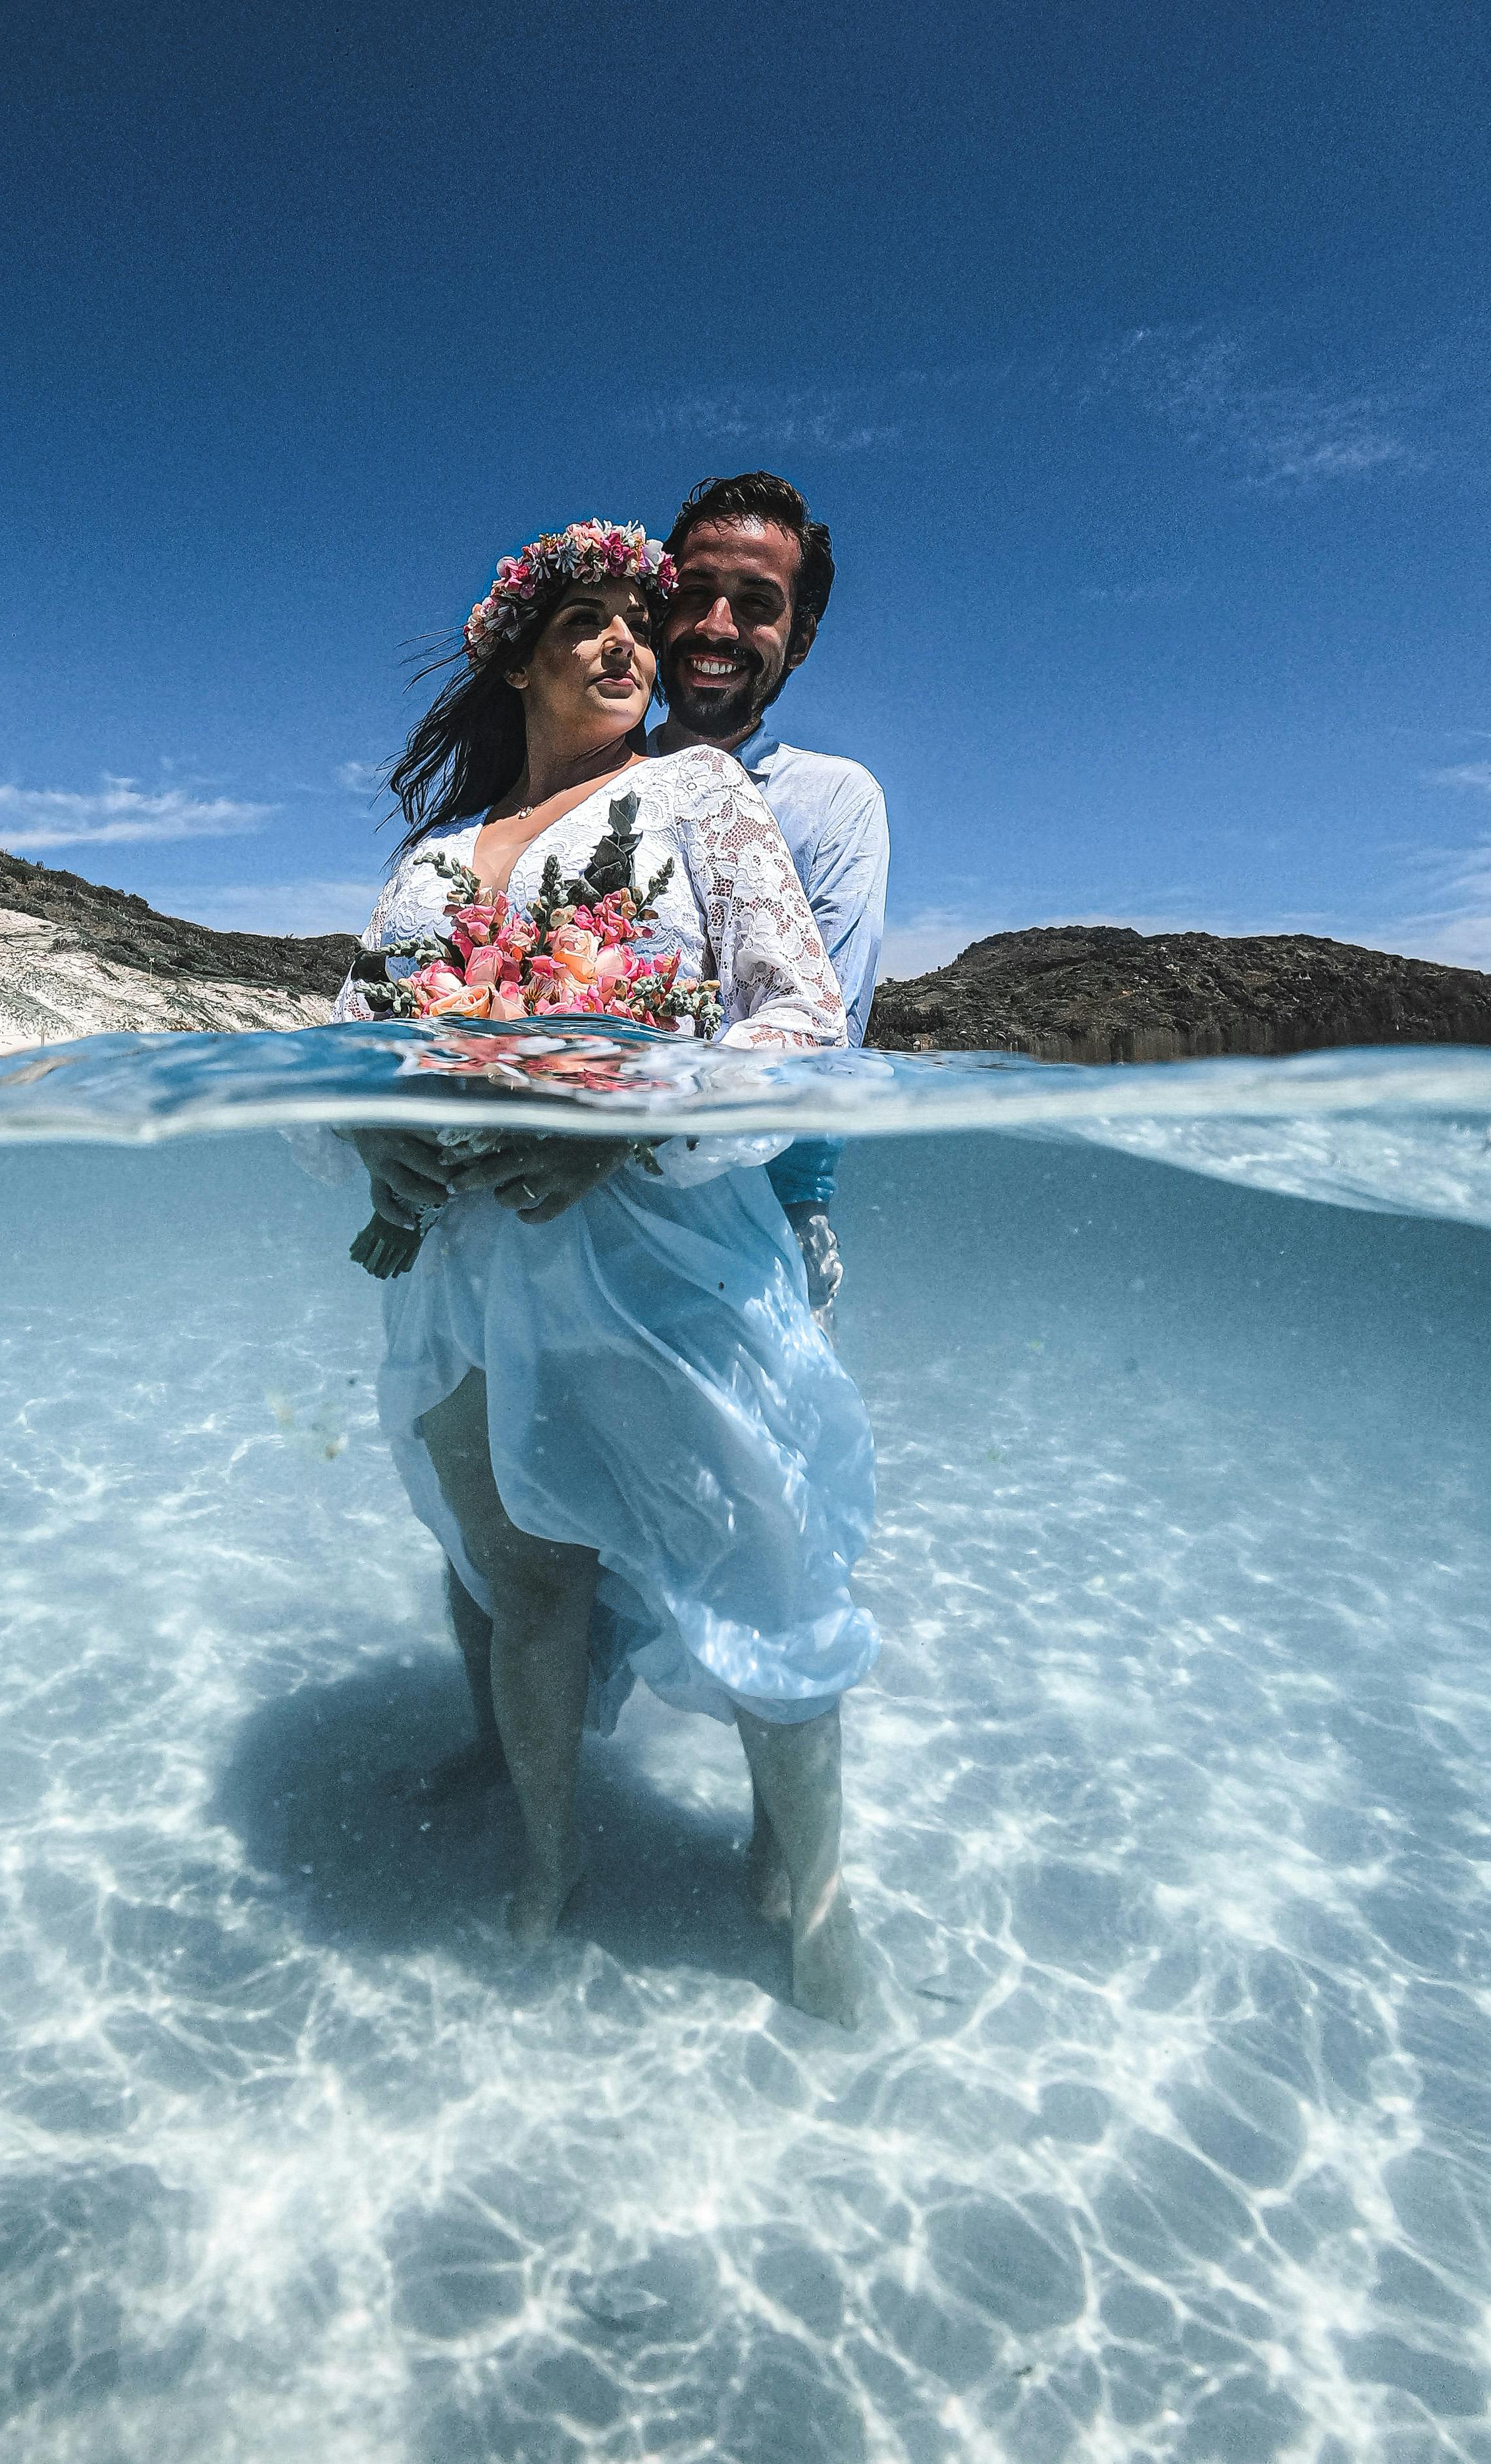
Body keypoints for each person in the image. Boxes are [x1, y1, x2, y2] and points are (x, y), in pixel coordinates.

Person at [310, 519, 879, 2026]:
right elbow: (354, 1047)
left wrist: (624, 1125)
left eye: (643, 619)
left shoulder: (697, 795)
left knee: (759, 1568)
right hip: (465, 1276)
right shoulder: (432, 861)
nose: (633, 643)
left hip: (660, 1259)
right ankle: (550, 1861)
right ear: (518, 658)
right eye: (591, 622)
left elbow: (800, 1022)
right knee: (522, 1581)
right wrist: (375, 1139)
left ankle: (818, 1910)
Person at [648, 472, 889, 1334]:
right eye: (694, 593)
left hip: (761, 1235)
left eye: (756, 604)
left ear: (802, 637)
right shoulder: (578, 787)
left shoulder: (835, 799)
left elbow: (825, 1032)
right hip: (556, 1219)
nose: (717, 626)